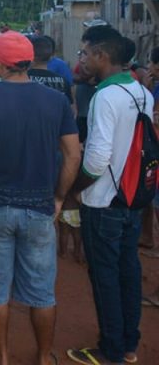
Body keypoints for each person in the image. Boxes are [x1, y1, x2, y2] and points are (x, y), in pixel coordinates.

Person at [0, 31, 80, 365]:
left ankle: (1, 355)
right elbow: (72, 155)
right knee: (42, 292)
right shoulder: (55, 101)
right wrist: (59, 196)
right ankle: (43, 357)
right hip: (40, 207)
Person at [66, 26, 153, 365]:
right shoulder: (139, 90)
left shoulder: (105, 96)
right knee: (128, 270)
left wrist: (75, 190)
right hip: (133, 197)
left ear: (102, 55)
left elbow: (99, 158)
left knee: (104, 277)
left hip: (103, 201)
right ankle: (129, 343)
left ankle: (111, 349)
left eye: (85, 53)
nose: (83, 60)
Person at [28, 35, 73, 103]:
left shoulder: (22, 79)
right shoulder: (63, 82)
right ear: (50, 57)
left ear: (30, 55)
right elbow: (71, 108)